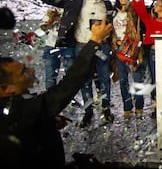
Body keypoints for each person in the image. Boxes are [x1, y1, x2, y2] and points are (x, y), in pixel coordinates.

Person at [16, 0, 116, 128]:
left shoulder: (106, 4)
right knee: (83, 81)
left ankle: (106, 109)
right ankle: (88, 111)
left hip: (102, 47)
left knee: (104, 79)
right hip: (81, 47)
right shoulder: (74, 0)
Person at [0, 18, 112, 169]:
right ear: (5, 89)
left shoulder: (16, 111)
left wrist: (44, 123)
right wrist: (94, 41)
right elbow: (68, 85)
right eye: (23, 72)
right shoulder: (20, 110)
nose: (32, 70)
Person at [112, 0, 146, 119]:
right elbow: (112, 31)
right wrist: (116, 42)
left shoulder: (133, 13)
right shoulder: (114, 13)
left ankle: (139, 106)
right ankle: (127, 106)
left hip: (133, 49)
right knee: (123, 81)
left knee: (137, 79)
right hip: (119, 50)